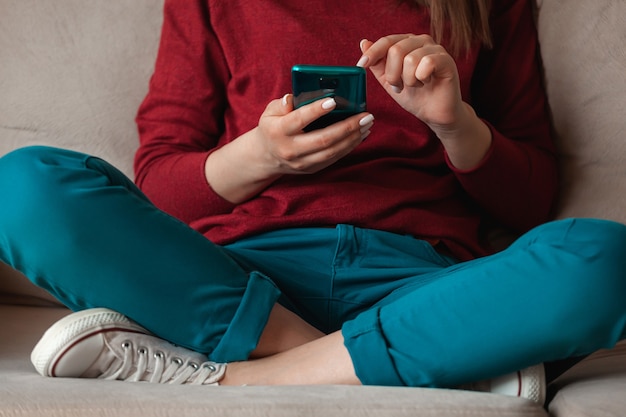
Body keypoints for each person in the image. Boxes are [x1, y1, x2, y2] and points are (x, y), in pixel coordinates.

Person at [1, 0, 625, 405]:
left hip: (420, 283)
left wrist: (454, 122)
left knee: (606, 259)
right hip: (233, 280)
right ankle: (412, 357)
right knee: (21, 185)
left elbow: (531, 200)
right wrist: (261, 156)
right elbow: (161, 187)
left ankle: (245, 377)